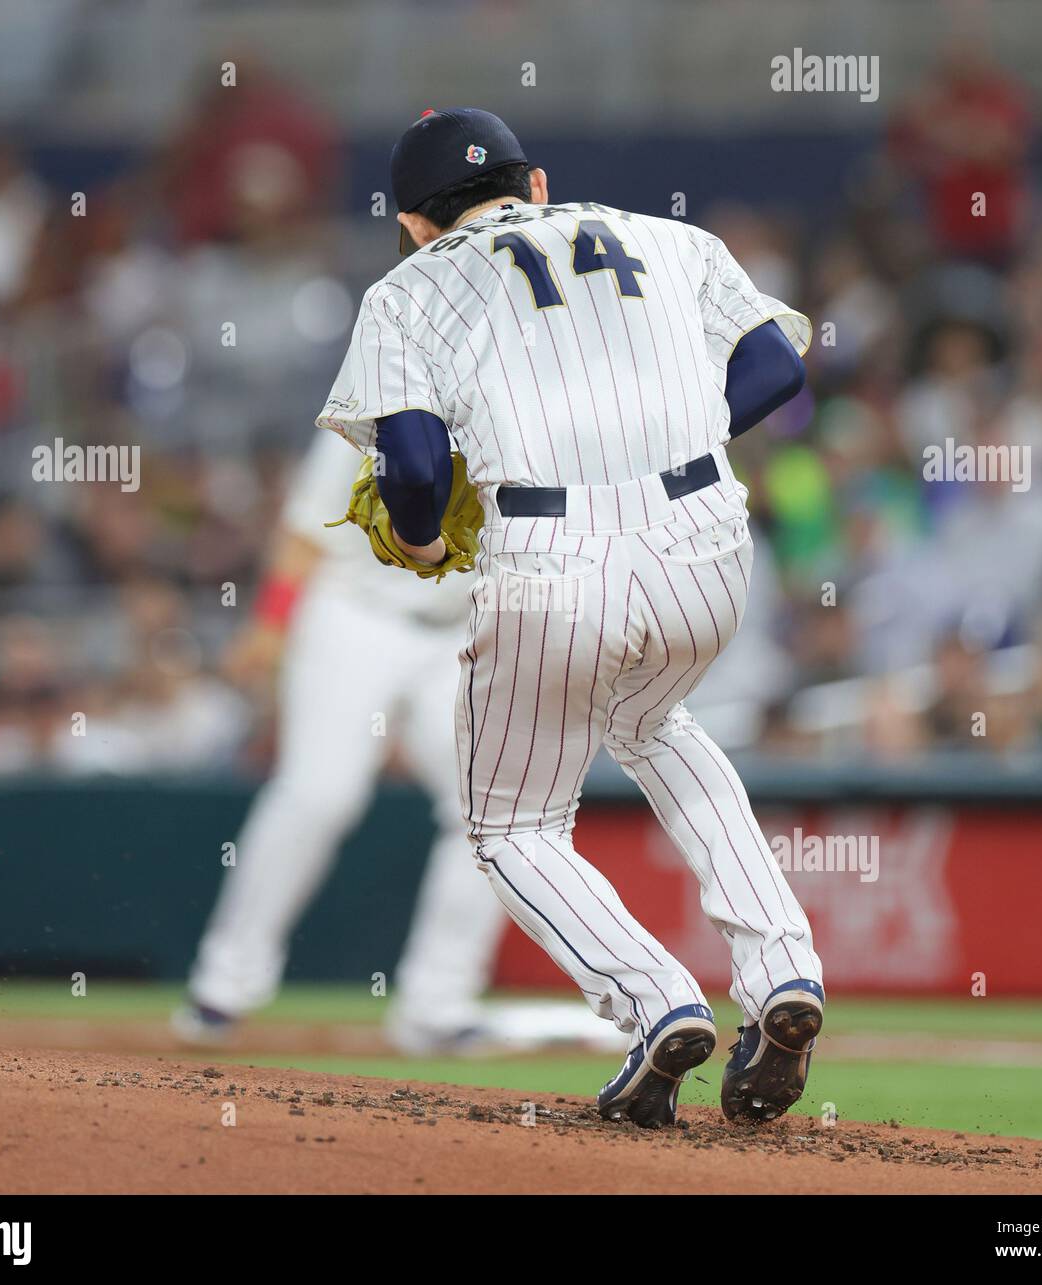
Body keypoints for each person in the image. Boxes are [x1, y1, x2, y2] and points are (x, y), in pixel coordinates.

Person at [316, 108, 823, 1127]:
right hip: (706, 539)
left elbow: (414, 467)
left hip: (550, 556)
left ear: (413, 223)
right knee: (650, 722)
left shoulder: (409, 287)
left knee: (511, 823)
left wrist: (420, 543)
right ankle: (782, 973)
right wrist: (655, 442)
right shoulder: (671, 238)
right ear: (534, 182)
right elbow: (777, 368)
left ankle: (654, 1003)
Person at [172, 432, 610, 1053]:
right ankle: (223, 985)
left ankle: (437, 1005)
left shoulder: (532, 407)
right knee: (320, 794)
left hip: (460, 629)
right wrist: (271, 622)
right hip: (355, 612)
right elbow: (307, 527)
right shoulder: (385, 387)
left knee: (489, 810)